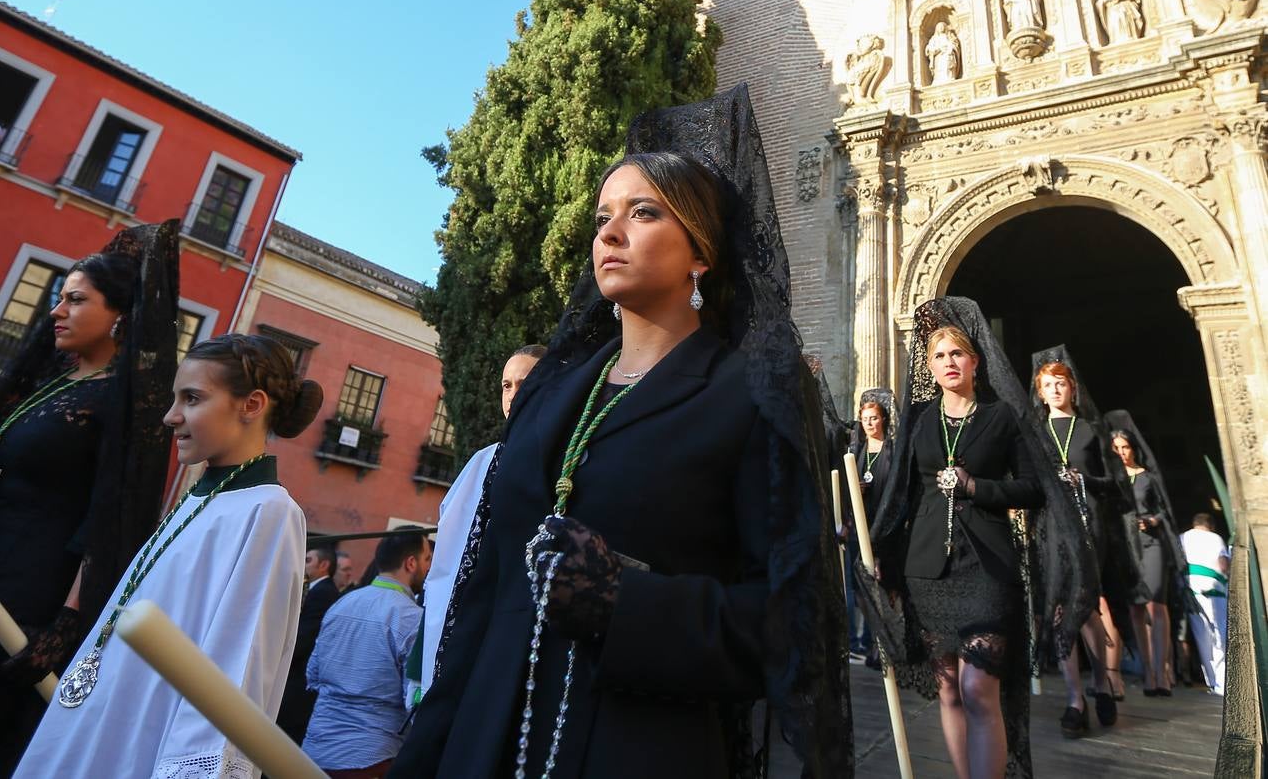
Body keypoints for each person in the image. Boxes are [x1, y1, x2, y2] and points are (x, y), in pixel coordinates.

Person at [390, 85, 853, 778]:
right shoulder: (551, 391)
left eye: (642, 213)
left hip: (633, 742)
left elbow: (788, 626)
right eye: (603, 216)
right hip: (487, 733)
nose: (609, 232)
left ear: (700, 252)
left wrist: (627, 602)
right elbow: (482, 597)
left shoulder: (749, 395)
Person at [0, 222, 179, 778]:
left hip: (18, 599)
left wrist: (65, 622)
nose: (56, 311)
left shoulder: (119, 400)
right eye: (59, 298)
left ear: (120, 316)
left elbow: (108, 518)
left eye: (76, 300)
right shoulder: (53, 381)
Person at [13, 334, 322, 778]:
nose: (171, 416)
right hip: (110, 720)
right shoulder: (197, 498)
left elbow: (241, 660)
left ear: (251, 405)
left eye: (192, 399)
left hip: (152, 737)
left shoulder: (268, 510)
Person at [863, 296, 1095, 779]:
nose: (949, 363)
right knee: (948, 688)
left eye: (957, 354)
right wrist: (884, 554)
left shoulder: (1002, 418)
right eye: (939, 356)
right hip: (927, 570)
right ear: (929, 366)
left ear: (975, 361)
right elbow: (900, 494)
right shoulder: (920, 420)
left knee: (977, 689)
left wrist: (977, 487)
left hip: (988, 569)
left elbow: (1034, 488)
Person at [420, 344, 546, 694]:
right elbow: (447, 563)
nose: (513, 394)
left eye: (525, 382)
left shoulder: (565, 457)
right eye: (506, 385)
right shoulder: (481, 462)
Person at [1031, 349, 1127, 736]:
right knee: (1057, 610)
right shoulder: (1035, 432)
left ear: (1072, 388)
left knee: (1085, 608)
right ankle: (1075, 698)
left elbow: (1115, 483)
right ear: (1039, 392)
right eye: (1047, 385)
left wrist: (1082, 481)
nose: (1055, 390)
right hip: (1049, 528)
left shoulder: (1090, 429)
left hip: (1087, 529)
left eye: (1060, 383)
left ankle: (1102, 680)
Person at [303, 530, 432, 778]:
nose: (429, 567)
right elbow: (414, 699)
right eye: (427, 558)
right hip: (371, 758)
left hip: (314, 750)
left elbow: (313, 674)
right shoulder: (412, 618)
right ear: (411, 563)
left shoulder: (342, 603)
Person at [1107, 410, 1188, 698]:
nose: (1121, 453)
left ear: (1132, 449)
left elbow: (1164, 511)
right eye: (1115, 449)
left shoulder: (1148, 477)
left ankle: (1163, 669)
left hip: (1150, 542)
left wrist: (1152, 521)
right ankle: (1149, 671)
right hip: (1128, 548)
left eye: (1125, 447)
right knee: (1136, 608)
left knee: (1156, 603)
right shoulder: (1111, 481)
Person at [277, 544, 342, 744]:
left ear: (324, 565)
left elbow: (304, 638)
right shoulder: (315, 590)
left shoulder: (323, 593)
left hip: (299, 680)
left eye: (308, 560)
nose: (303, 565)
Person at [848, 388, 893, 669]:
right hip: (860, 526)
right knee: (860, 587)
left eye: (874, 418)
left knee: (883, 586)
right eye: (865, 419)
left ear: (883, 420)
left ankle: (882, 644)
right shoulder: (857, 452)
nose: (870, 424)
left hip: (883, 526)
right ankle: (872, 636)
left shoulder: (892, 450)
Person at [1180, 513, 1228, 694]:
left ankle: (1213, 681)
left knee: (1202, 637)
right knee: (1220, 636)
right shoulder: (1215, 538)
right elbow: (1223, 564)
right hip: (1214, 590)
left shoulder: (1182, 538)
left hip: (1191, 589)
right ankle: (1223, 684)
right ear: (1211, 526)